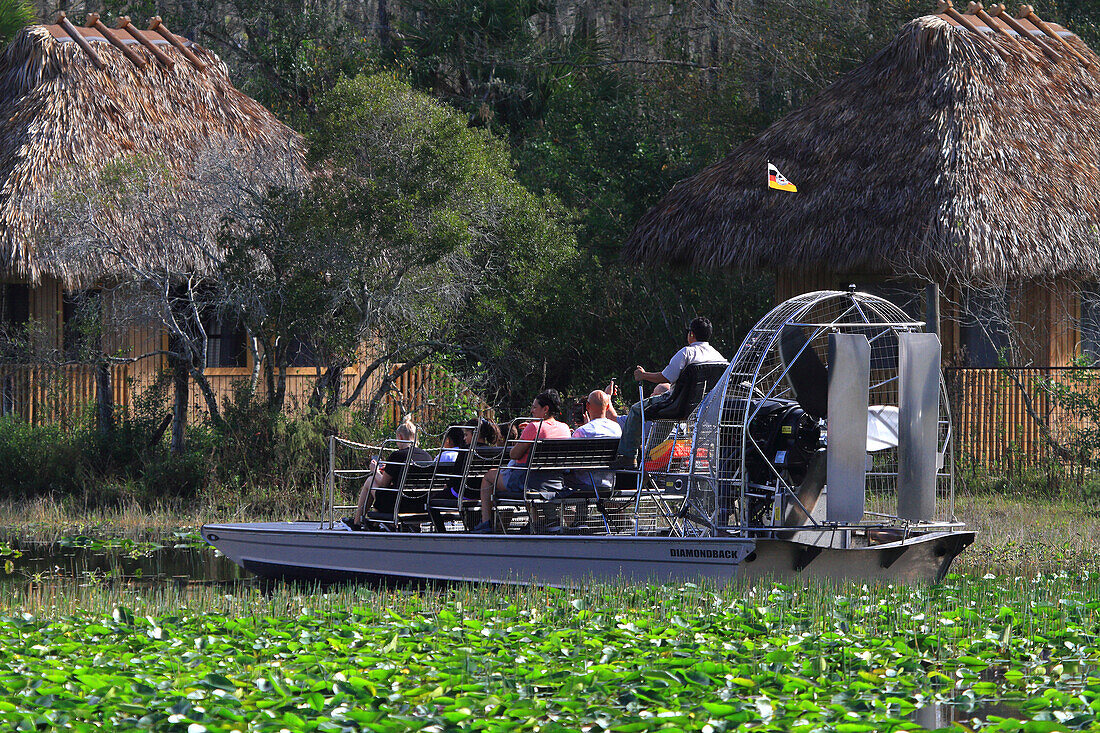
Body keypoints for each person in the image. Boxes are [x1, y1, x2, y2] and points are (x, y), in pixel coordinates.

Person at [612, 316, 726, 468]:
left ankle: (627, 456)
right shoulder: (719, 357)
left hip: (676, 405)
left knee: (636, 409)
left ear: (691, 334)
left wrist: (643, 375)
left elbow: (665, 377)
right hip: (701, 410)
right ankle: (649, 458)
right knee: (665, 417)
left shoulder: (687, 352)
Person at [474, 389, 571, 532]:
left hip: (527, 481)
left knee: (489, 476)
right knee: (528, 475)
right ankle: (535, 521)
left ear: (545, 409)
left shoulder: (534, 427)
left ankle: (486, 522)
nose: (531, 411)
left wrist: (525, 434)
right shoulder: (565, 428)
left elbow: (514, 454)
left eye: (534, 407)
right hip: (554, 481)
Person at [352, 418, 433, 526]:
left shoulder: (397, 456)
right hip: (422, 503)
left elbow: (383, 484)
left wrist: (375, 471)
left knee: (370, 480)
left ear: (400, 437)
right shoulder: (427, 456)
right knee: (384, 490)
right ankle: (376, 524)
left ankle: (357, 522)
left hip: (400, 503)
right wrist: (391, 470)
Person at [565, 389, 622, 493]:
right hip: (609, 482)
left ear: (587, 406)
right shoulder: (617, 428)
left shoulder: (582, 431)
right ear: (608, 407)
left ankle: (575, 509)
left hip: (585, 482)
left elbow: (570, 461)